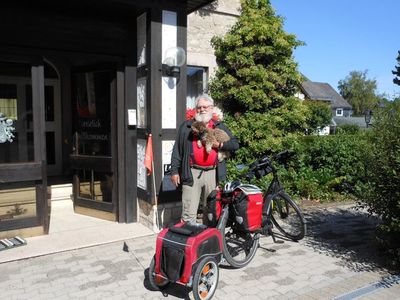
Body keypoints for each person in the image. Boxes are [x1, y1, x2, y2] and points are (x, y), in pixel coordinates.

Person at [170, 94, 239, 223]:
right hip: (191, 173)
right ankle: (188, 239)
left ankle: (207, 240)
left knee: (211, 212)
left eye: (205, 107)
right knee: (188, 214)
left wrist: (219, 145)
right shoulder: (186, 127)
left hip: (213, 174)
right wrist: (174, 171)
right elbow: (177, 150)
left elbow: (235, 144)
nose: (202, 109)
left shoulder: (220, 126)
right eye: (199, 107)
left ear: (212, 108)